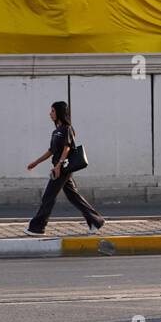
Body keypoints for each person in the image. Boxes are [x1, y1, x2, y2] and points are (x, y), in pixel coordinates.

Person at [24, 101, 105, 235]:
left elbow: (67, 148)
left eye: (53, 111)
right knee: (73, 196)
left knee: (48, 196)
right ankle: (96, 221)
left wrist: (58, 165)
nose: (50, 114)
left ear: (59, 112)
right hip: (59, 167)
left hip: (62, 168)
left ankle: (37, 227)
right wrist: (36, 162)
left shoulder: (67, 129)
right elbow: (51, 151)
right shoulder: (56, 131)